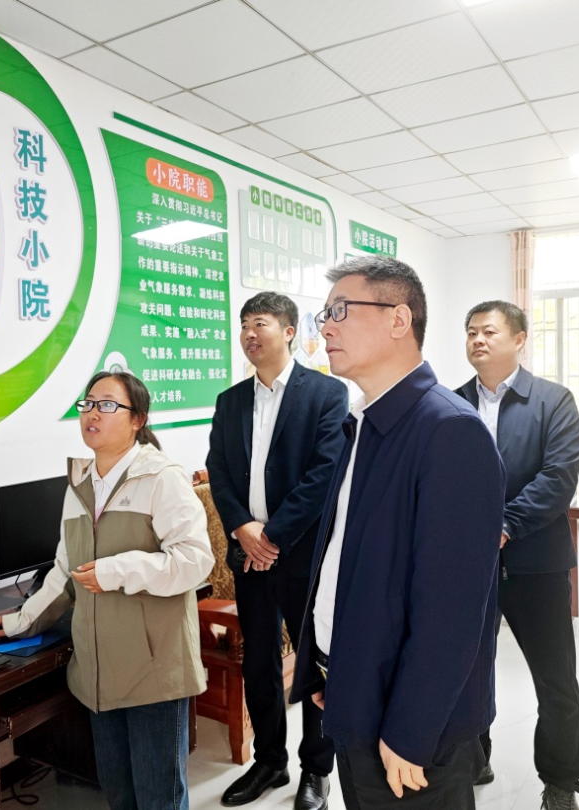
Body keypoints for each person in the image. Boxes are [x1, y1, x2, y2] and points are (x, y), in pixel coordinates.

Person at [289, 255, 505, 809]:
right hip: (355, 687)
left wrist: (411, 729)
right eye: (324, 314)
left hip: (411, 727)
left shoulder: (449, 430)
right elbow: (343, 558)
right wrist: (326, 666)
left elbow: (454, 611)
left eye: (340, 310)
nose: (325, 328)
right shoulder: (364, 422)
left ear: (399, 319)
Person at [0, 371, 214, 810]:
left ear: (138, 419)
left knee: (159, 798)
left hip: (153, 670)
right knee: (119, 794)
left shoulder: (161, 478)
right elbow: (64, 571)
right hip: (98, 671)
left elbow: (194, 561)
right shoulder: (79, 485)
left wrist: (117, 570)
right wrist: (18, 622)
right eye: (87, 404)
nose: (92, 413)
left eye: (107, 404)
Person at [207, 292, 349, 810]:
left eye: (260, 322)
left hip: (303, 554)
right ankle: (269, 760)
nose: (249, 332)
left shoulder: (327, 394)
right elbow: (219, 471)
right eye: (244, 323)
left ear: (288, 331)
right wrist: (242, 528)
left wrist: (272, 536)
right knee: (259, 661)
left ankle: (316, 769)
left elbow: (324, 473)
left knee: (313, 661)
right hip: (248, 556)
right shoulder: (230, 401)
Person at [455, 301, 579, 810]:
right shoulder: (452, 403)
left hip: (536, 565)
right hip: (469, 566)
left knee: (555, 680)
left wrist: (505, 526)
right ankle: (474, 757)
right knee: (466, 671)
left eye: (489, 331)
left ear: (519, 339)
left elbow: (559, 477)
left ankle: (560, 782)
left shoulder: (552, 401)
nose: (478, 340)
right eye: (471, 332)